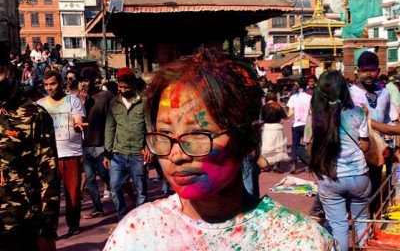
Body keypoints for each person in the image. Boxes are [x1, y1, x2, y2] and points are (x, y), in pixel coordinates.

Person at [103, 48, 338, 250]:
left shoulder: (300, 242)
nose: (176, 155)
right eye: (164, 135)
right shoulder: (137, 234)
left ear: (247, 137)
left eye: (196, 135)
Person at [0, 42, 60, 251]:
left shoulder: (34, 115)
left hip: (23, 227)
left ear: (8, 70)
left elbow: (49, 174)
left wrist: (47, 230)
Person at [310, 70, 371, 251]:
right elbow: (365, 147)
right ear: (345, 89)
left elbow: (308, 146)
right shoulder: (357, 113)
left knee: (338, 226)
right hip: (359, 176)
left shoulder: (314, 116)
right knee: (361, 221)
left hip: (330, 177)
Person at [37, 70, 86, 236]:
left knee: (73, 193)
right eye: (46, 85)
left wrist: (78, 124)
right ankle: (50, 229)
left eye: (53, 83)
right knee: (49, 195)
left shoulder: (73, 101)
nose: (50, 88)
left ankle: (73, 224)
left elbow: (78, 118)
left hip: (71, 154)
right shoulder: (40, 104)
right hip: (48, 156)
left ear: (61, 83)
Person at [349, 51, 394, 208]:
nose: (368, 74)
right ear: (357, 70)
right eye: (364, 70)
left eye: (372, 70)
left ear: (378, 71)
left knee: (375, 189)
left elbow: (389, 119)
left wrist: (392, 143)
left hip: (377, 153)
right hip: (356, 152)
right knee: (357, 193)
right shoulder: (350, 94)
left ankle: (372, 224)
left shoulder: (385, 94)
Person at [103, 67, 150, 221]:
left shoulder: (143, 103)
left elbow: (150, 128)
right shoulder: (113, 103)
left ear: (133, 85)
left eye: (126, 87)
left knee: (141, 191)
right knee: (115, 188)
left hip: (138, 154)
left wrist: (149, 148)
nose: (123, 90)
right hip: (118, 155)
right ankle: (122, 218)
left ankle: (140, 221)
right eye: (120, 87)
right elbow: (110, 128)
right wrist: (107, 152)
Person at [78, 67, 114, 218]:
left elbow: (114, 117)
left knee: (106, 176)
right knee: (90, 179)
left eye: (87, 80)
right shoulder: (78, 99)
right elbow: (78, 121)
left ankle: (121, 204)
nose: (84, 84)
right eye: (82, 80)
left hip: (102, 144)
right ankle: (97, 208)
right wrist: (82, 103)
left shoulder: (106, 96)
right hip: (85, 146)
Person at [259, 92, 289, 173]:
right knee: (278, 147)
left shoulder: (264, 107)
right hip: (277, 128)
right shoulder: (277, 105)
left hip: (267, 128)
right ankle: (276, 165)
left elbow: (262, 118)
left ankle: (267, 165)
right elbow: (285, 117)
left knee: (267, 147)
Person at [287, 76, 311, 174]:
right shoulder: (310, 97)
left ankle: (293, 164)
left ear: (297, 85)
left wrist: (284, 117)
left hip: (296, 124)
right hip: (307, 125)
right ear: (307, 85)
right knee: (307, 145)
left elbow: (290, 113)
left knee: (295, 145)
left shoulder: (293, 97)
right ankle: (307, 165)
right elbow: (312, 112)